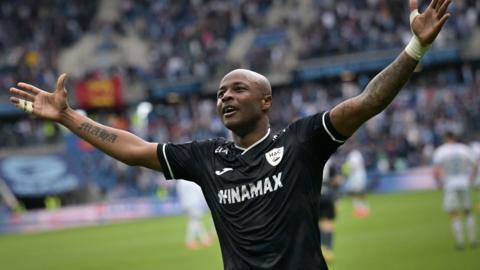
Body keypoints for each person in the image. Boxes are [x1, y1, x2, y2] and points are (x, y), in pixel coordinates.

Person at [7, 0, 451, 268]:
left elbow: (368, 101)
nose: (225, 97)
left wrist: (416, 48)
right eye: (220, 92)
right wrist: (68, 117)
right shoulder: (206, 157)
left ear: (265, 102)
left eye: (238, 88)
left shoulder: (301, 142)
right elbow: (133, 149)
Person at [432, 132, 478, 250]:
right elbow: (475, 165)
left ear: (445, 138)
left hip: (450, 183)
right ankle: (473, 241)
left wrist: (439, 183)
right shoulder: (464, 149)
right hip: (464, 182)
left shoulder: (441, 151)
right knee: (468, 211)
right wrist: (472, 178)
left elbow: (436, 169)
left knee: (454, 213)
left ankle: (460, 242)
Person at [176, 179, 214, 249]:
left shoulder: (180, 181)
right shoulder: (191, 180)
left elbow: (180, 192)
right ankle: (200, 239)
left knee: (194, 220)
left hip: (186, 203)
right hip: (194, 203)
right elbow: (199, 192)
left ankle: (198, 239)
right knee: (196, 220)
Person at [318, 158, 343, 263]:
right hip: (327, 194)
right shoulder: (330, 160)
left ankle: (320, 250)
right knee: (328, 223)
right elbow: (338, 180)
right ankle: (328, 250)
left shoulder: (308, 155)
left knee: (314, 223)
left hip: (314, 195)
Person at [343, 148, 370, 218]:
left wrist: (346, 168)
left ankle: (362, 209)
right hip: (356, 176)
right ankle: (359, 208)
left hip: (357, 176)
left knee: (358, 192)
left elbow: (353, 166)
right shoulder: (354, 154)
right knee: (355, 192)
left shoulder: (354, 154)